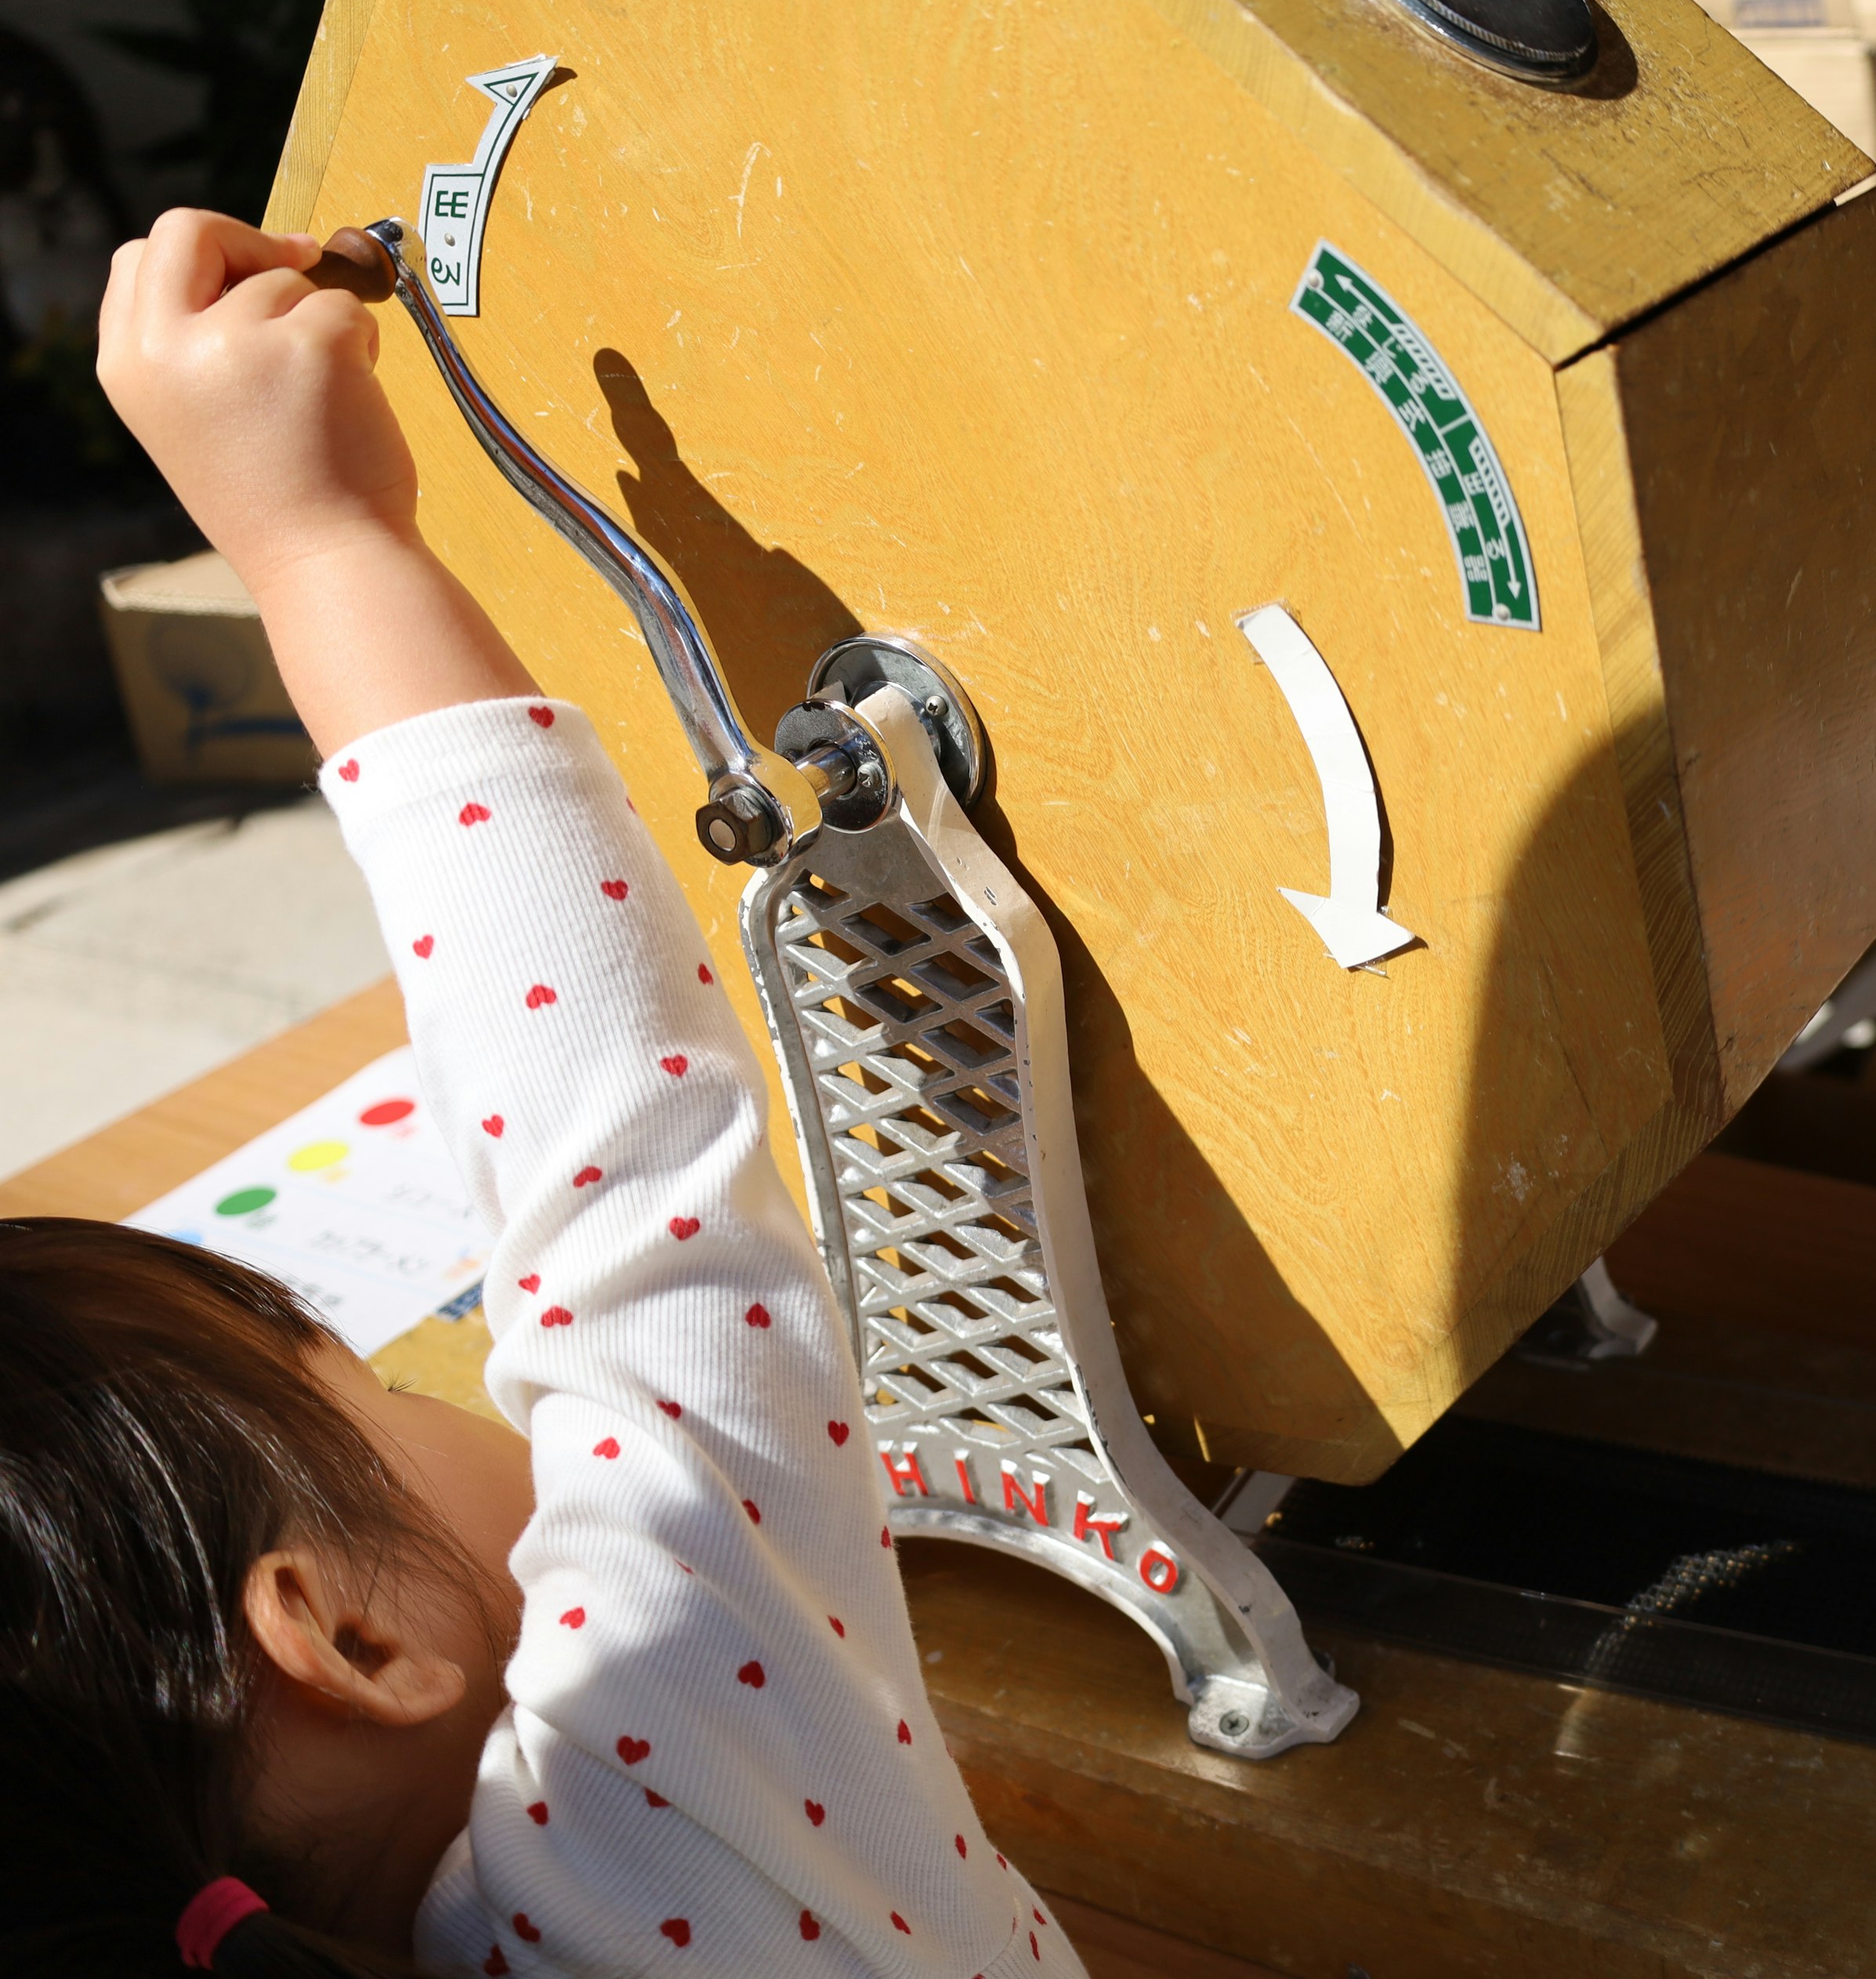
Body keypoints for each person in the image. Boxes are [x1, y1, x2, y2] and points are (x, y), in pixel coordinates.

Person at [0, 209, 1090, 1977]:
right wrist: (322, 542)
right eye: (352, 1378)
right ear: (351, 1640)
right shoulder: (661, 1786)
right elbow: (627, 1176)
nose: (459, 1373)